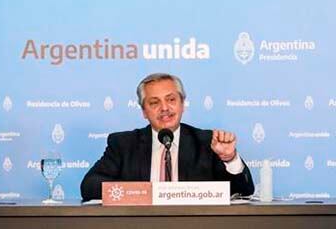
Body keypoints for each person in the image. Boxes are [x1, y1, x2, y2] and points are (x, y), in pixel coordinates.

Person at [81, 73, 254, 201]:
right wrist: (141, 193)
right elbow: (90, 186)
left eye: (171, 100)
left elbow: (244, 191)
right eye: (154, 102)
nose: (164, 108)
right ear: (144, 111)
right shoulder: (123, 144)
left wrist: (229, 158)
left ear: (182, 104)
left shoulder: (207, 141)